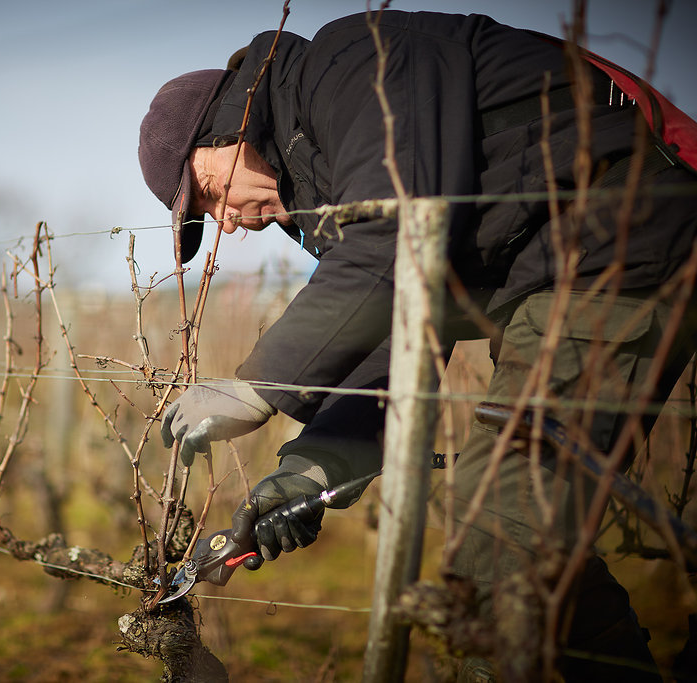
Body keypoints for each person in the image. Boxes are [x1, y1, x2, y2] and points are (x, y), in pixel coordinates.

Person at [138, 9, 697, 682]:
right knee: (504, 525)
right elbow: (402, 321)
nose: (227, 224)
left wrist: (257, 386)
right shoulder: (320, 176)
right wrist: (314, 466)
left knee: (502, 535)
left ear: (229, 126)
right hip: (558, 268)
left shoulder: (355, 61)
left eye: (209, 195)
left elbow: (394, 242)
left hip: (622, 227)